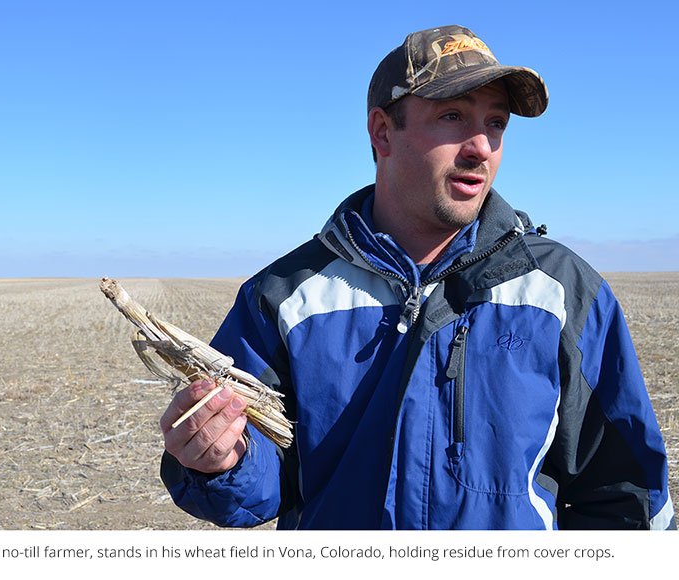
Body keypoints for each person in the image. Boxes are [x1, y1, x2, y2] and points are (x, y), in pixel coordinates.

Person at [158, 25, 675, 530]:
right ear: (382, 132)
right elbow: (261, 482)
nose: (481, 146)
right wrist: (218, 460)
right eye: (453, 116)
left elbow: (625, 494)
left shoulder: (561, 292)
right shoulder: (286, 297)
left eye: (496, 123)